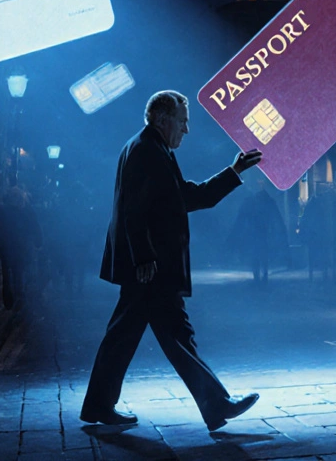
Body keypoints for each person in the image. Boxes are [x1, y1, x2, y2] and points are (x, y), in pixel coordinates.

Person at [80, 90, 265, 429]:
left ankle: (99, 406)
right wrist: (145, 257)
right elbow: (133, 209)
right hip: (152, 267)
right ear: (164, 120)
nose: (187, 130)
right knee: (171, 336)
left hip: (149, 266)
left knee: (131, 336)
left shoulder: (149, 147)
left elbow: (184, 197)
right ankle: (216, 405)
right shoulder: (148, 151)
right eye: (183, 121)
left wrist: (233, 171)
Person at [0, 186, 42, 310]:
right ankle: (19, 297)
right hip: (20, 247)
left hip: (7, 247)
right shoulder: (26, 210)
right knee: (18, 272)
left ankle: (9, 300)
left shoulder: (1, 210)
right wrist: (38, 241)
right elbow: (35, 227)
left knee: (7, 275)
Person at [235, 175, 285, 283]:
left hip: (259, 232)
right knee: (261, 254)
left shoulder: (254, 201)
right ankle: (261, 275)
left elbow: (244, 216)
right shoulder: (264, 201)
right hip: (260, 232)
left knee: (258, 255)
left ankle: (259, 276)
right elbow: (275, 217)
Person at [301, 185, 336, 283]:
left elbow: (305, 219)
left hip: (316, 234)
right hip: (318, 233)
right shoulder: (321, 204)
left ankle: (315, 274)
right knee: (321, 254)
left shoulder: (312, 204)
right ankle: (321, 274)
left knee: (315, 254)